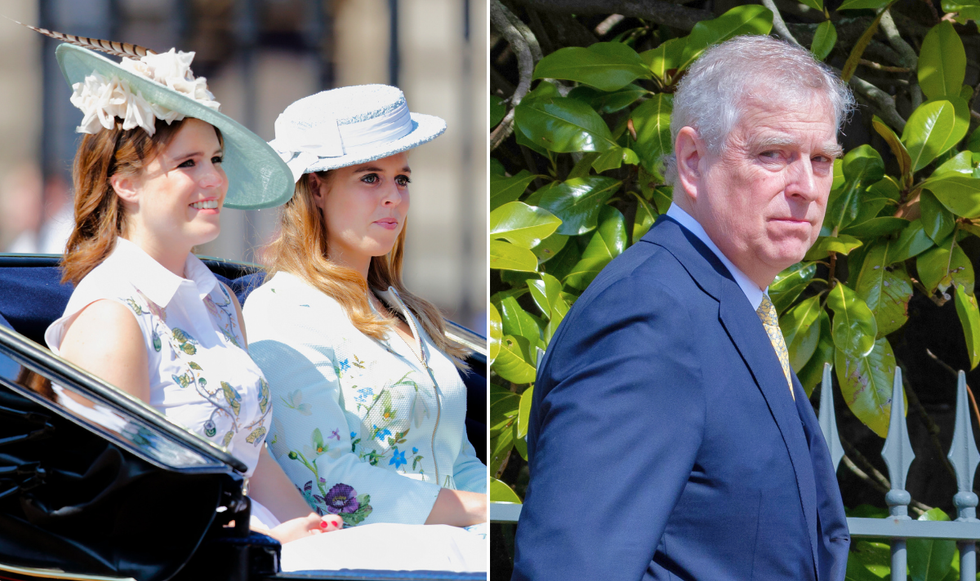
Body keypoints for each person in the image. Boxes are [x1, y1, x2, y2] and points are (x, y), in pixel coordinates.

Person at [512, 35, 854, 581]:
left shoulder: (720, 298)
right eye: (773, 154)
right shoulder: (650, 315)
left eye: (821, 160)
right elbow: (572, 567)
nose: (807, 188)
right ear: (693, 160)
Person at [41, 40, 343, 545]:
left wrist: (317, 530)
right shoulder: (111, 315)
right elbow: (123, 501)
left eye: (216, 159)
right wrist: (264, 540)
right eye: (188, 164)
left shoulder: (221, 301)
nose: (214, 179)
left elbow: (252, 453)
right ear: (126, 184)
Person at [242, 85, 487, 571]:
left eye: (402, 179)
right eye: (370, 178)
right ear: (316, 188)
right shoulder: (282, 311)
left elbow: (458, 458)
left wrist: (499, 514)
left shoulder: (405, 309)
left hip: (456, 553)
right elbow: (330, 481)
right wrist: (476, 511)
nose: (394, 198)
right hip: (364, 562)